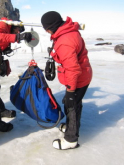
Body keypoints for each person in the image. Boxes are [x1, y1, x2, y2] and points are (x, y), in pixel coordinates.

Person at [41, 11, 92, 150]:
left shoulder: (64, 42)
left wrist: (70, 91)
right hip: (82, 74)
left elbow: (73, 69)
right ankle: (71, 126)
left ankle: (71, 139)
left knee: (71, 106)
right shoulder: (68, 31)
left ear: (49, 28)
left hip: (78, 77)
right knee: (74, 104)